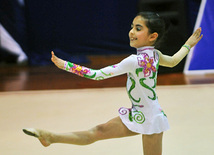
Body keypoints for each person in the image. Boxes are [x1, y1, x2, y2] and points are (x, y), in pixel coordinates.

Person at [23, 12, 202, 155]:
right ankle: (50, 137)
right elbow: (173, 61)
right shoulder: (155, 55)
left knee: (96, 132)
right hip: (142, 112)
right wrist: (188, 45)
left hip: (151, 118)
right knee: (98, 131)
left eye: (138, 28)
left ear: (152, 36)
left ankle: (51, 138)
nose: (131, 31)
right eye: (132, 27)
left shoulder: (134, 60)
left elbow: (97, 75)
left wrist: (66, 65)